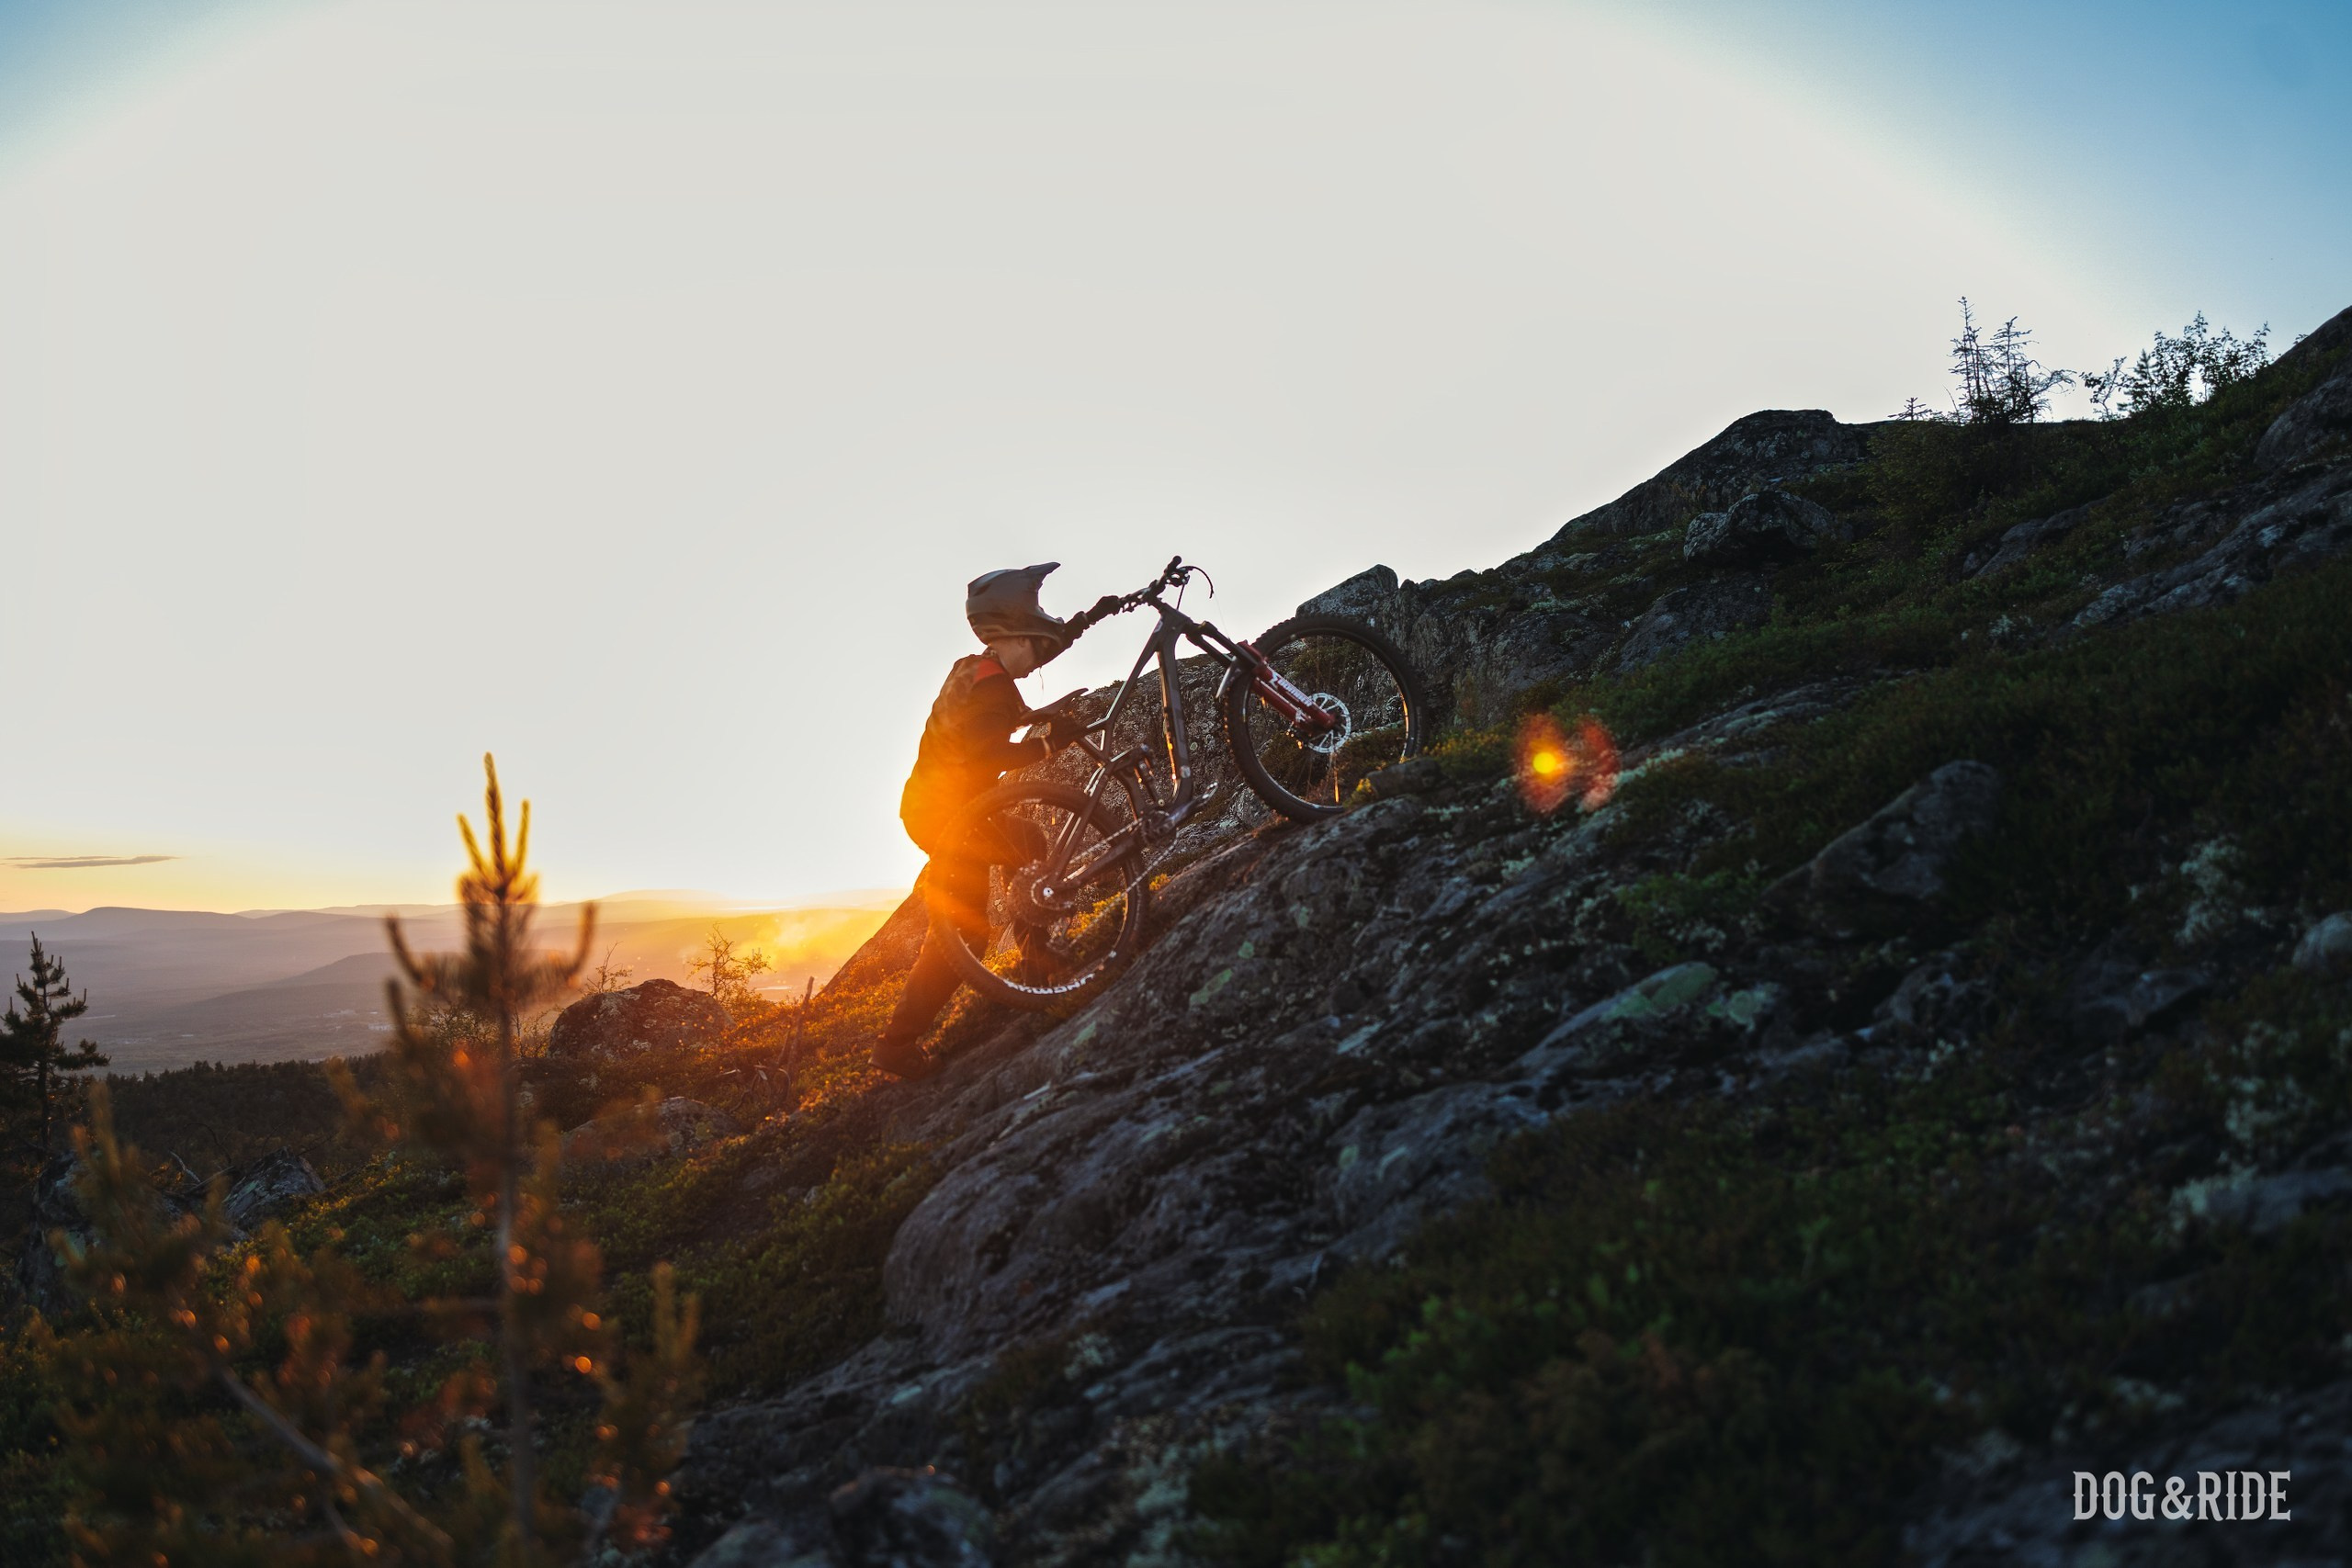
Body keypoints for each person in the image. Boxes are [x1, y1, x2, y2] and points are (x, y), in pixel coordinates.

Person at [873, 562, 1121, 1079]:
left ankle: (1037, 958)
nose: (1043, 655)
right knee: (969, 930)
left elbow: (1045, 644)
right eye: (1037, 641)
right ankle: (898, 1044)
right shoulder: (991, 689)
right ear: (1012, 634)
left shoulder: (978, 668)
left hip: (933, 807)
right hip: (948, 813)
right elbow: (987, 756)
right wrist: (1049, 743)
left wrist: (1094, 616)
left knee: (1024, 842)